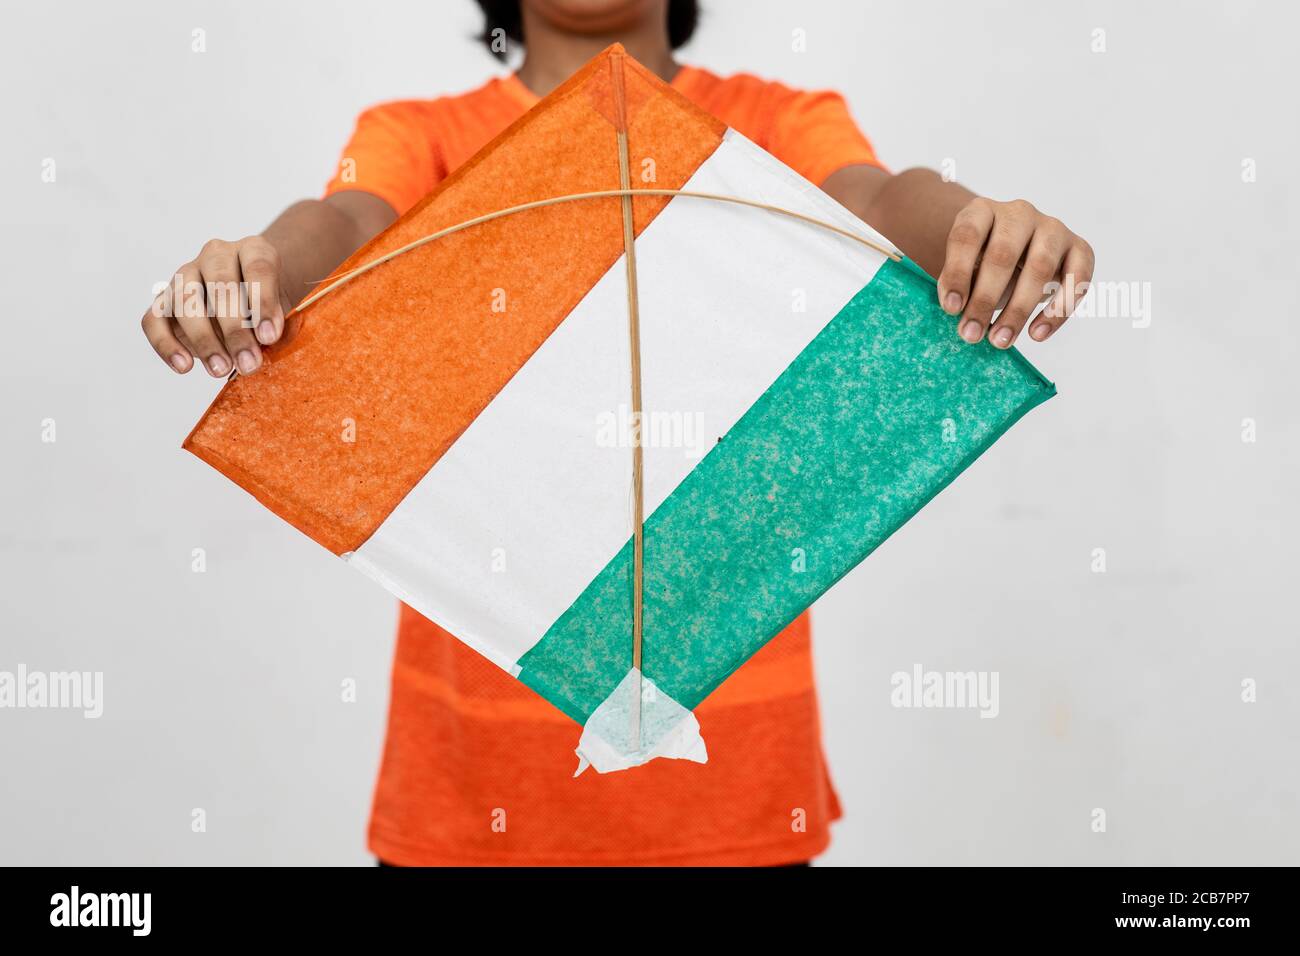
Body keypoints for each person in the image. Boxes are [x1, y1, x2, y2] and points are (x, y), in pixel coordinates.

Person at [140, 0, 1094, 866]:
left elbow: (881, 198)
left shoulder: (774, 120)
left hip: (735, 792)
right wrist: (260, 262)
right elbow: (341, 218)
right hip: (470, 795)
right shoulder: (421, 135)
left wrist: (976, 227)